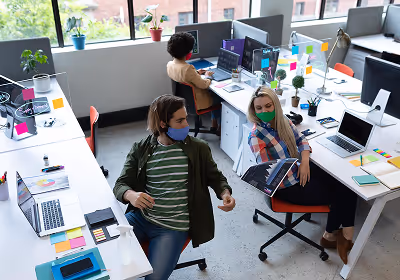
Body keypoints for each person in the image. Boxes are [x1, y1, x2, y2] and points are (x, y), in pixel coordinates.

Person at [113, 94, 235, 280]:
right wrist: (131, 195)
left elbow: (215, 177)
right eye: (180, 120)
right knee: (108, 259)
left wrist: (225, 193)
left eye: (186, 118)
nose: (187, 124)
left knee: (154, 278)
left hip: (173, 226)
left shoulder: (198, 148)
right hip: (140, 218)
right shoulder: (141, 149)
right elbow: (120, 184)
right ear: (163, 124)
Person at [247, 86, 357, 264]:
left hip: (300, 171)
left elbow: (301, 140)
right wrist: (298, 166)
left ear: (275, 104)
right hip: (286, 186)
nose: (264, 111)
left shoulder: (283, 120)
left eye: (268, 106)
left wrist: (304, 160)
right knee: (341, 194)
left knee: (345, 183)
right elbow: (272, 172)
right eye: (259, 108)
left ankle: (339, 234)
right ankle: (338, 236)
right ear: (254, 110)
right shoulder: (256, 136)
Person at [167, 32, 222, 135]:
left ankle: (214, 124)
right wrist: (208, 76)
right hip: (197, 103)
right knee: (220, 98)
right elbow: (204, 84)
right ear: (187, 52)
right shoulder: (188, 68)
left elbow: (183, 77)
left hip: (184, 101)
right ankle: (219, 127)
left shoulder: (170, 65)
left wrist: (196, 73)